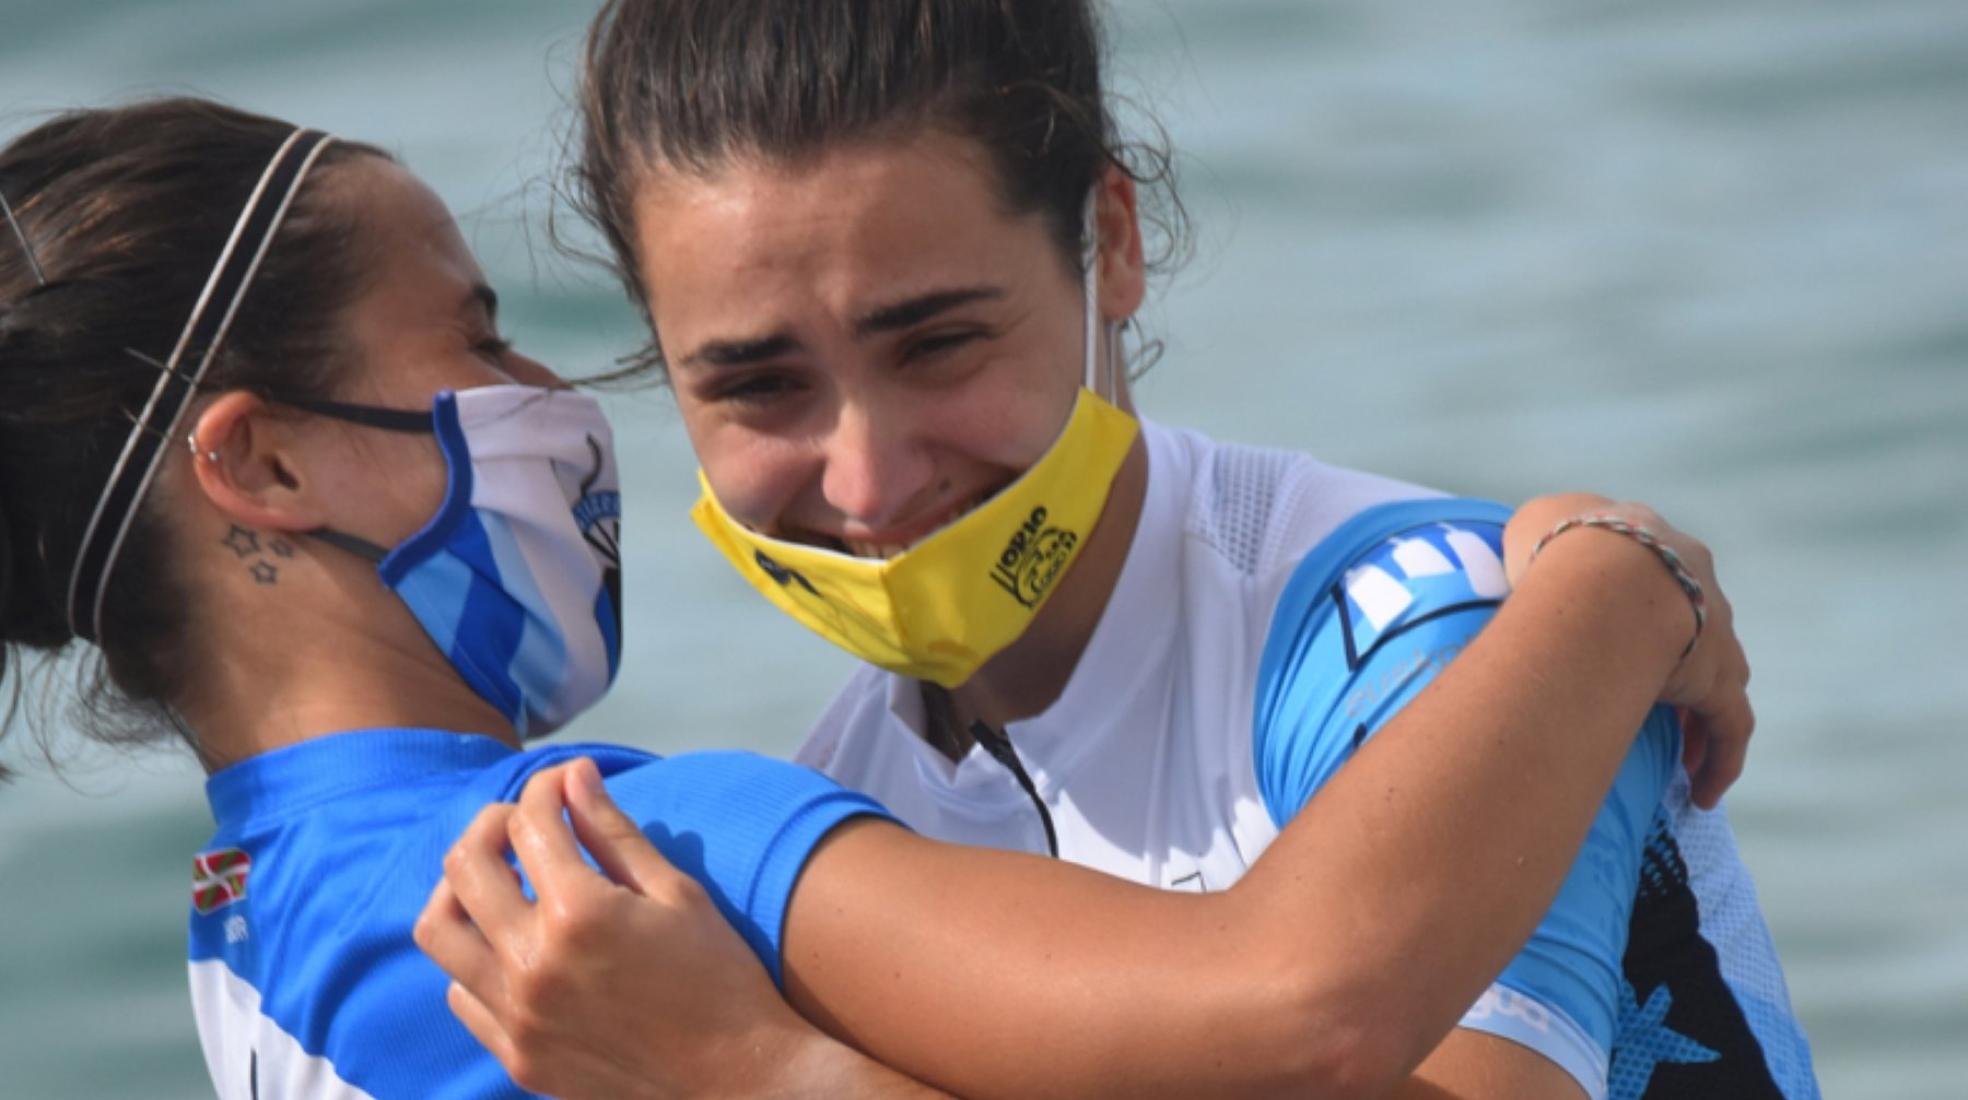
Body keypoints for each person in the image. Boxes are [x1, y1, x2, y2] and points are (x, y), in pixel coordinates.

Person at [7, 99, 1742, 1100]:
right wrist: (1613, 587)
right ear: (266, 464)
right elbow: (1301, 1004)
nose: (545, 397)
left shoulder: (250, 927)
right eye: (477, 337)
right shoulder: (616, 860)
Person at [418, 1, 1818, 1098]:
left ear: (1112, 238)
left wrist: (764, 1072)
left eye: (939, 344)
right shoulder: (839, 794)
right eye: (759, 386)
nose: (868, 479)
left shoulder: (1441, 635)